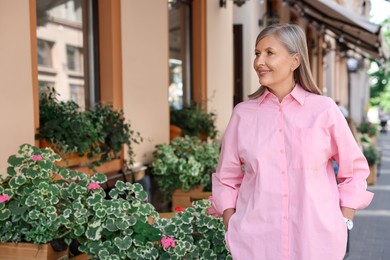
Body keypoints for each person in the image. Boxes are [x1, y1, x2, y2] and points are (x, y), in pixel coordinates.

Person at [212, 24, 373, 260]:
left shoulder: (323, 110)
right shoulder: (243, 115)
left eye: (269, 53)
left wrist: (344, 219)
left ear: (294, 61)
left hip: (316, 244)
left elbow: (355, 171)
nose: (259, 61)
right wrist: (230, 219)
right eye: (257, 53)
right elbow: (226, 177)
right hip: (255, 244)